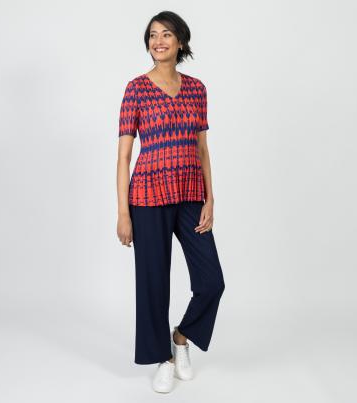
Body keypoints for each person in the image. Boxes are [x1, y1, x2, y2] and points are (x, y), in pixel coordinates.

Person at [116, 11, 225, 393]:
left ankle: (181, 338)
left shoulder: (197, 89)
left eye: (166, 34)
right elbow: (124, 157)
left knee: (212, 282)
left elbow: (202, 149)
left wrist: (210, 199)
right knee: (153, 283)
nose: (158, 41)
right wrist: (123, 212)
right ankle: (162, 358)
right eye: (152, 35)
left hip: (190, 194)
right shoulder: (136, 89)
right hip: (147, 197)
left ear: (180, 41)